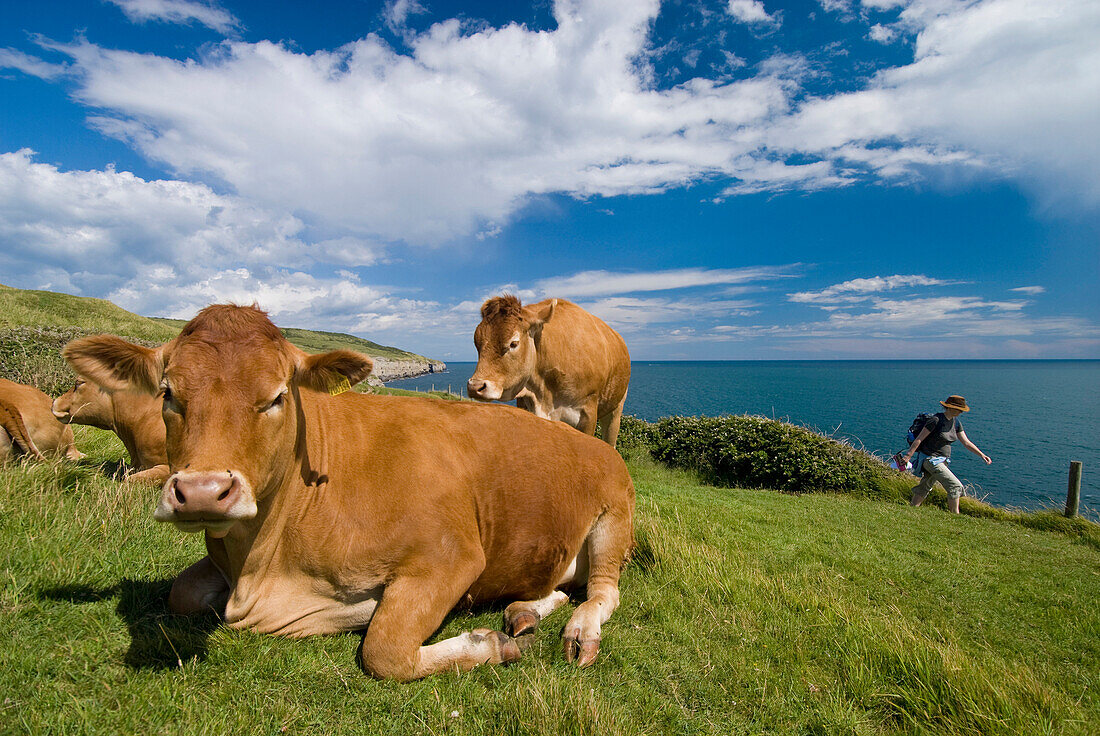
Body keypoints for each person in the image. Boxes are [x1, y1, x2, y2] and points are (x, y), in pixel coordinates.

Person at [902, 395, 992, 514]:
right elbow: (919, 439)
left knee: (925, 486)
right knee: (955, 486)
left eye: (962, 410)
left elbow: (966, 442)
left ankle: (911, 509)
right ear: (949, 407)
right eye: (958, 409)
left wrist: (981, 454)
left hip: (942, 461)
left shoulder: (956, 423)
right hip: (930, 460)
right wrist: (908, 456)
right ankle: (955, 515)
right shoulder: (936, 420)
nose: (960, 412)